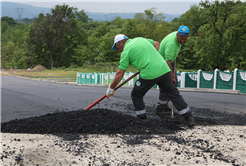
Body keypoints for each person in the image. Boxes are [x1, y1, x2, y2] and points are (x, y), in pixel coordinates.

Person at [106, 34, 195, 127]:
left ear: (121, 42)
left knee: (136, 94)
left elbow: (120, 73)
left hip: (149, 73)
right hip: (163, 69)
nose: (118, 50)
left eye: (117, 47)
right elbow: (157, 44)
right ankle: (189, 117)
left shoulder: (126, 51)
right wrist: (151, 59)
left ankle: (142, 119)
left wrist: (111, 88)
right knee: (173, 93)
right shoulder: (140, 39)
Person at [155, 25, 190, 114]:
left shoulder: (177, 38)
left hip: (168, 61)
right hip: (163, 64)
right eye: (181, 38)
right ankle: (160, 108)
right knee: (169, 84)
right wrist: (172, 77)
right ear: (178, 34)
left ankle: (164, 105)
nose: (182, 41)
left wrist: (174, 55)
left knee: (171, 85)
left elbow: (173, 51)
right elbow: (167, 62)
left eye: (184, 39)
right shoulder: (171, 43)